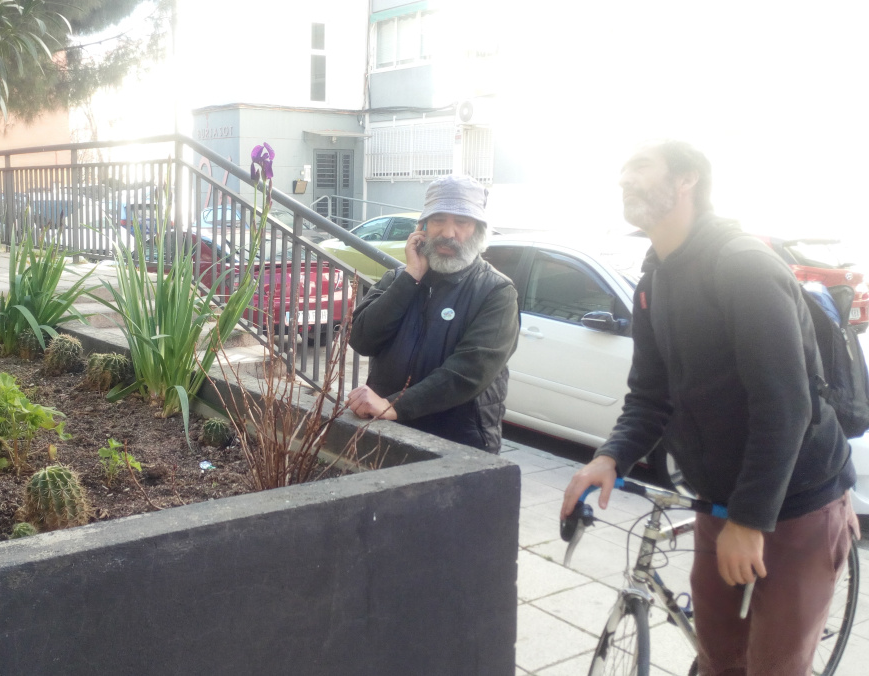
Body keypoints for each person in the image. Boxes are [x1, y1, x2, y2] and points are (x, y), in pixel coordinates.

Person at [561, 141, 859, 675]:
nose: (624, 179)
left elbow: (785, 406)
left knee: (774, 666)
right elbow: (650, 396)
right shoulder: (654, 282)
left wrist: (749, 520)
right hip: (720, 502)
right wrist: (610, 457)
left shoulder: (743, 266)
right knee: (719, 658)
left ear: (687, 180)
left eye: (640, 167)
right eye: (622, 170)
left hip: (796, 503)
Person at [345, 174, 520, 452]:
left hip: (457, 442)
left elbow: (468, 372)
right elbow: (361, 339)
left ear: (478, 229)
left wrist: (393, 405)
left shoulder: (496, 291)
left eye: (461, 222)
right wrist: (411, 277)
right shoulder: (398, 279)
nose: (448, 233)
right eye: (439, 220)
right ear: (422, 227)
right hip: (387, 431)